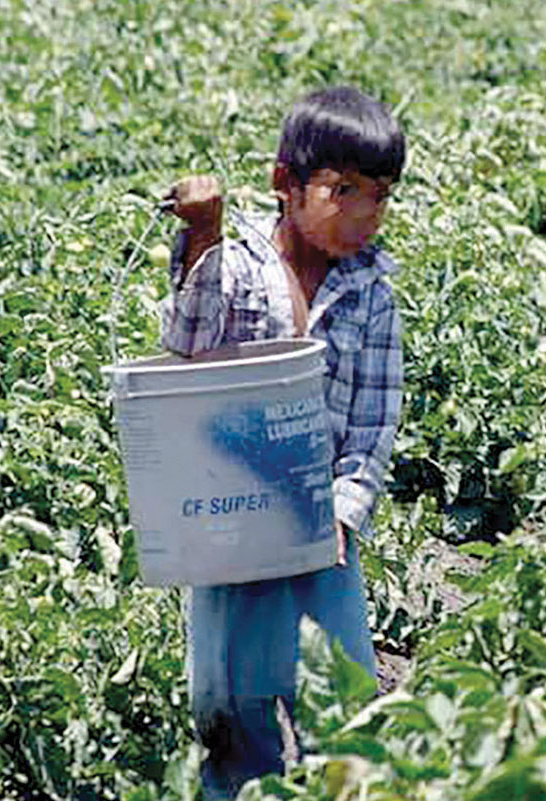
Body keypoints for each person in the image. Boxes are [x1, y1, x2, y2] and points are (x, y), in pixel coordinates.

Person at [157, 86, 405, 799]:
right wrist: (202, 234)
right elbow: (187, 345)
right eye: (343, 190)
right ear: (283, 184)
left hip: (321, 531)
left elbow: (373, 426)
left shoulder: (373, 294)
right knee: (229, 707)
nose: (364, 213)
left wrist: (342, 514)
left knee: (344, 706)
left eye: (380, 194)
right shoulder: (236, 267)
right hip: (228, 520)